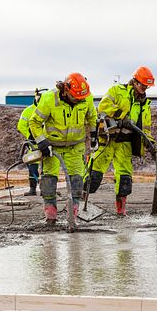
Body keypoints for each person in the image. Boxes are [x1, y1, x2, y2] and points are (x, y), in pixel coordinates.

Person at [84, 66, 155, 216]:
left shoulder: (144, 104)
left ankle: (121, 210)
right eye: (142, 85)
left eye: (147, 86)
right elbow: (103, 107)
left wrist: (150, 142)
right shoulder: (117, 91)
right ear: (135, 82)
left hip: (125, 144)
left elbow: (145, 127)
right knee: (94, 174)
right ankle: (80, 204)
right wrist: (122, 117)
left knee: (125, 178)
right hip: (108, 140)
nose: (144, 88)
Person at [29, 73, 97, 225]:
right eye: (75, 98)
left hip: (75, 147)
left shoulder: (86, 98)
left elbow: (92, 118)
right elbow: (34, 122)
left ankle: (72, 215)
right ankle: (51, 216)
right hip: (52, 147)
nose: (79, 100)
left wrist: (94, 136)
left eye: (81, 98)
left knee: (77, 181)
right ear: (65, 90)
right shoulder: (49, 99)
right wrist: (42, 142)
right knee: (49, 182)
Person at [16, 88, 45, 196]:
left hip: (46, 142)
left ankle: (45, 188)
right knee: (32, 165)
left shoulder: (47, 109)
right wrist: (30, 136)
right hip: (33, 144)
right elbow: (21, 126)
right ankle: (33, 188)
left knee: (47, 167)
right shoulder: (28, 111)